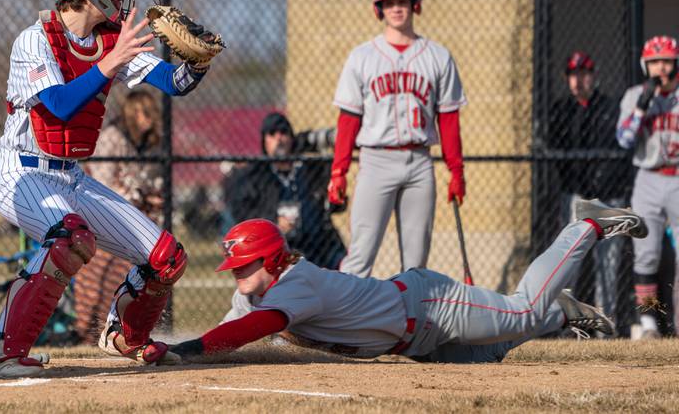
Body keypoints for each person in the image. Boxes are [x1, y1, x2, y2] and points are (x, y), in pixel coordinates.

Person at [0, 0, 213, 378]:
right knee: (69, 238)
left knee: (167, 258)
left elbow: (172, 83)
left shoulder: (108, 40)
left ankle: (126, 337)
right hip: (22, 171)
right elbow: (58, 107)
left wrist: (197, 64)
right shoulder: (35, 38)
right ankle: (2, 354)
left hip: (71, 177)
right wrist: (110, 63)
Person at [163, 199, 646, 364]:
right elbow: (223, 338)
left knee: (521, 309)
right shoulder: (258, 292)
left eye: (245, 266)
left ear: (270, 259)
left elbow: (243, 333)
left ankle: (586, 224)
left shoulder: (294, 283)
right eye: (236, 270)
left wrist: (187, 350)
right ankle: (563, 311)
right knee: (491, 354)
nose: (239, 275)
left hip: (432, 305)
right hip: (415, 342)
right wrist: (172, 350)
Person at [328, 0, 466, 277]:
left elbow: (449, 119)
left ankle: (412, 325)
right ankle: (345, 322)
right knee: (360, 256)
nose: (397, 8)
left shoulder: (437, 56)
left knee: (416, 264)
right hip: (376, 160)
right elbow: (348, 121)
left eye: (402, 1)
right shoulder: (362, 57)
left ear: (414, 5)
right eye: (389, 3)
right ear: (379, 9)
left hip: (419, 161)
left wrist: (456, 170)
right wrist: (338, 172)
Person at [546, 51, 631, 328]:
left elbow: (619, 149)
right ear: (566, 78)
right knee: (569, 262)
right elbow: (555, 152)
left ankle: (607, 323)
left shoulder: (609, 108)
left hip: (608, 194)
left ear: (593, 76)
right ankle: (566, 323)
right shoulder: (560, 111)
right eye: (573, 74)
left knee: (607, 263)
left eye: (584, 74)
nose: (578, 80)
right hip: (576, 195)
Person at [73, 90, 164, 344]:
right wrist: (136, 195)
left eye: (151, 113)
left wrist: (150, 196)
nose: (149, 120)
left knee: (131, 270)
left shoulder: (152, 142)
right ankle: (87, 331)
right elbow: (102, 184)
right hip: (101, 213)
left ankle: (117, 327)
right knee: (96, 270)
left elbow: (154, 181)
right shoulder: (112, 137)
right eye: (143, 114)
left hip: (135, 218)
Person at [616, 35, 679, 339]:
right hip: (648, 176)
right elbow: (624, 140)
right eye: (654, 62)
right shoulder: (634, 96)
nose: (660, 68)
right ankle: (650, 322)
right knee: (646, 253)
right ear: (645, 65)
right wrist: (642, 107)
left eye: (666, 60)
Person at [228, 112, 346, 269]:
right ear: (264, 141)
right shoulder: (256, 176)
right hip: (280, 251)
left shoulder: (310, 169)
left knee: (347, 267)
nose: (279, 138)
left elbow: (338, 204)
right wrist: (273, 222)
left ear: (291, 138)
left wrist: (334, 200)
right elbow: (242, 212)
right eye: (272, 134)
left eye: (284, 132)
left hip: (319, 245)